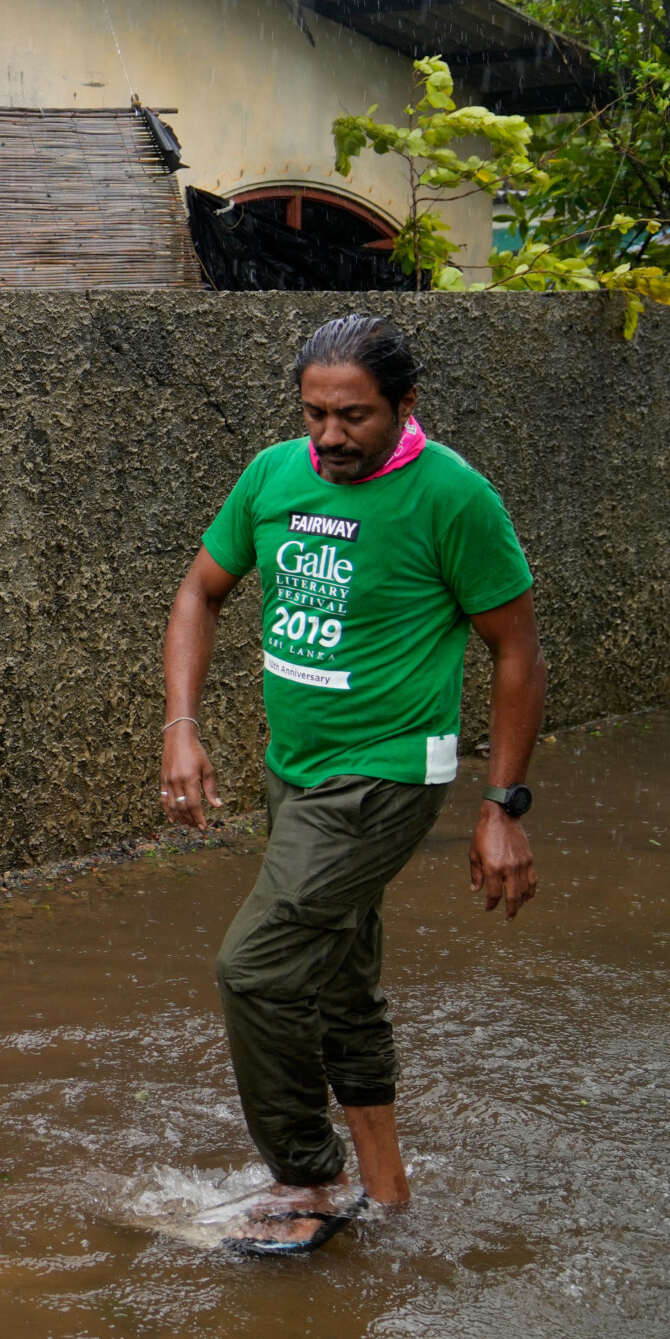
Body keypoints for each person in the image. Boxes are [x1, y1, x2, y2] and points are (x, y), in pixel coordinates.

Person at [159, 313, 545, 1256]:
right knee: (337, 979)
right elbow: (198, 592)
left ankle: (307, 1173)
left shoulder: (452, 497)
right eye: (315, 413)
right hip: (294, 773)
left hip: (385, 777)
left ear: (405, 405)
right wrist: (182, 727)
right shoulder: (273, 475)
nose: (330, 436)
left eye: (355, 416)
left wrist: (502, 806)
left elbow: (517, 651)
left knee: (254, 969)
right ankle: (387, 1185)